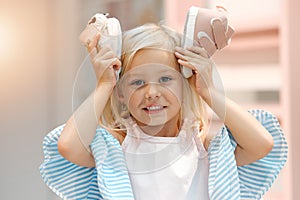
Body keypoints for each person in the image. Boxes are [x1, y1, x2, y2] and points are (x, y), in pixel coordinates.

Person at [40, 22, 287, 200]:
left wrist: (209, 91)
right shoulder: (118, 145)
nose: (151, 92)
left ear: (186, 83)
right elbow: (68, 146)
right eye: (137, 82)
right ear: (121, 93)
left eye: (166, 79)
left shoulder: (202, 146)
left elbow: (262, 144)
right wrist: (104, 84)